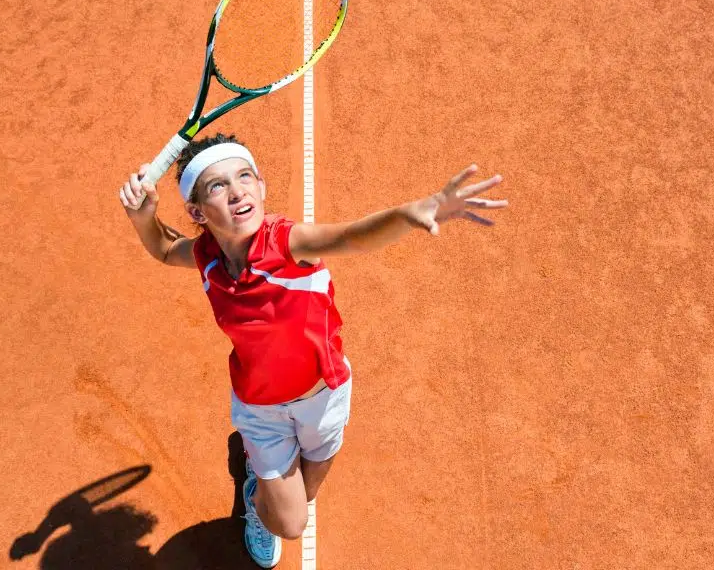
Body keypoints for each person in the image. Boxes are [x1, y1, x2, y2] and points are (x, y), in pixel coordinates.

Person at [118, 133, 507, 568]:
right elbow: (166, 248)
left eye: (245, 177)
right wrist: (143, 218)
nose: (237, 191)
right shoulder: (207, 256)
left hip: (323, 397)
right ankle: (257, 495)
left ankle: (269, 482)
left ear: (261, 186)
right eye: (217, 186)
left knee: (307, 491)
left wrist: (410, 213)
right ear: (197, 212)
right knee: (290, 523)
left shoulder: (288, 243)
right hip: (260, 408)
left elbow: (352, 237)